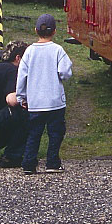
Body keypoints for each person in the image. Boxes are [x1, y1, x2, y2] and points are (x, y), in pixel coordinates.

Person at [15, 13, 73, 174]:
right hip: (55, 102)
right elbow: (64, 73)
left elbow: (22, 76)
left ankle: (28, 164)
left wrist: (21, 97)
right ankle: (52, 162)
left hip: (35, 103)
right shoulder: (58, 50)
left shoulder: (29, 52)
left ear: (35, 30)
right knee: (55, 133)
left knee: (34, 133)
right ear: (54, 31)